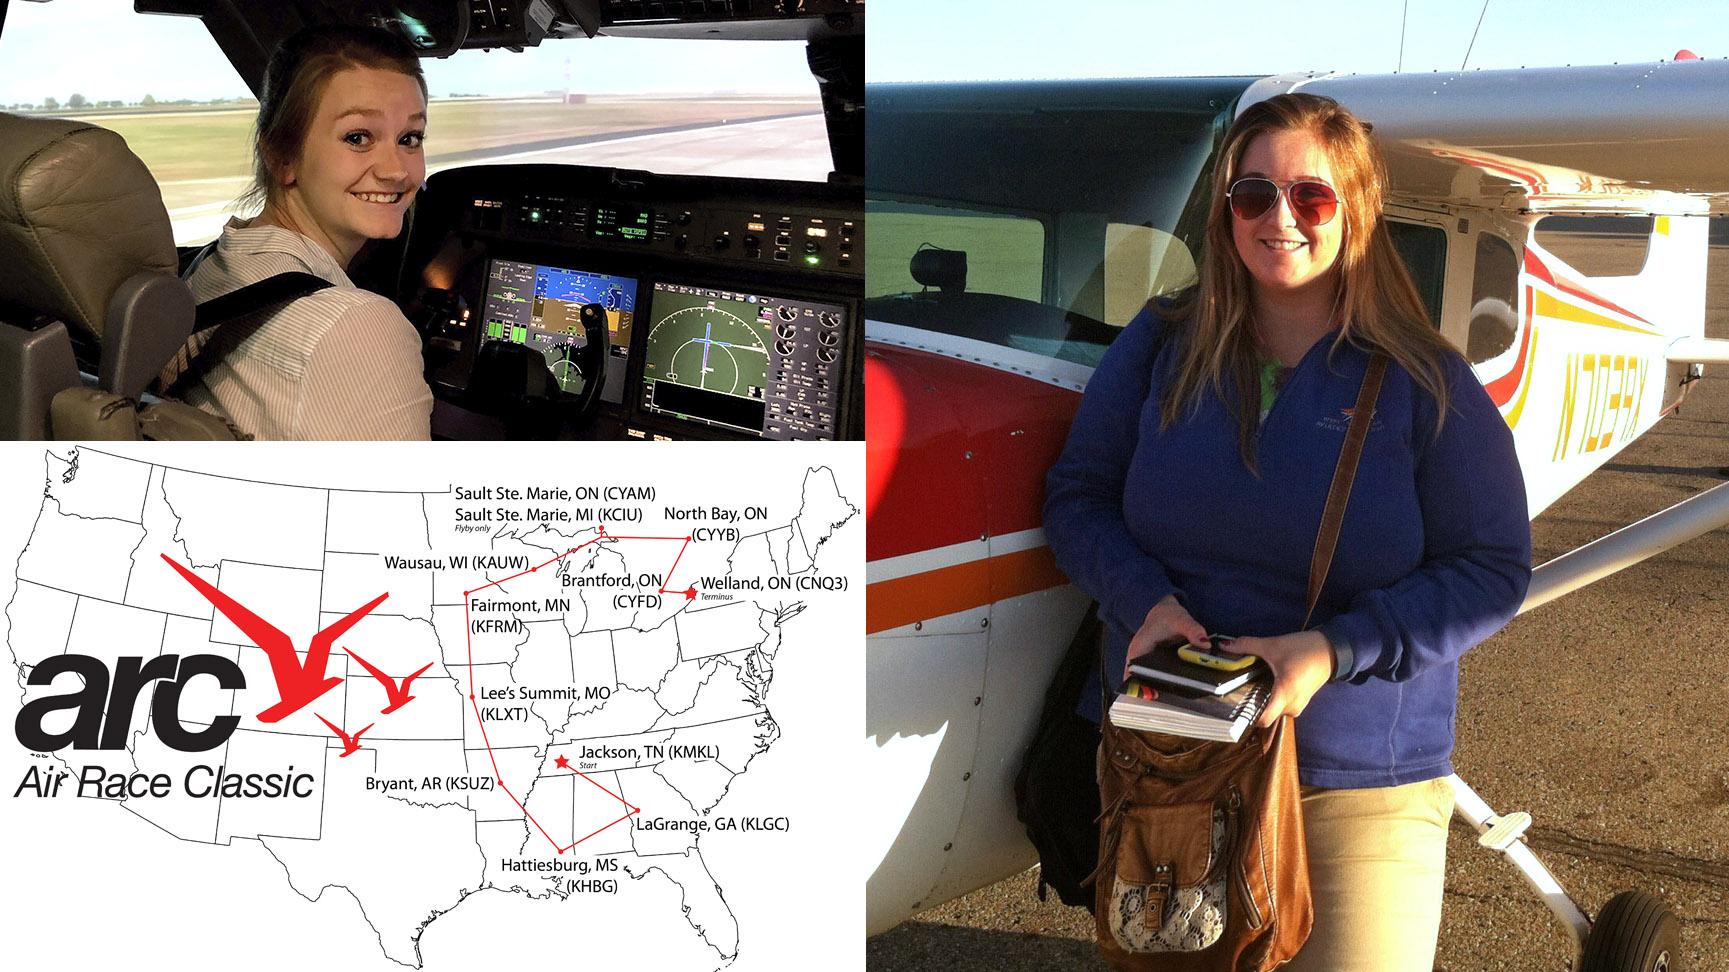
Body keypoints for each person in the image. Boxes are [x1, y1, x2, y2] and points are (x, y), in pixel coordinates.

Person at [1043, 92, 1532, 971]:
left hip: (1351, 778)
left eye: (1310, 197)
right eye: (1251, 195)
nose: (1278, 219)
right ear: (1224, 211)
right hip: (1171, 757)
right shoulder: (1160, 343)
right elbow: (1078, 496)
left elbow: (1492, 566)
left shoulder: (1428, 382)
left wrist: (1333, 649)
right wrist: (1140, 599)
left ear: (1356, 210)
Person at [172, 23, 433, 439]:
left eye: (410, 138)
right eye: (358, 137)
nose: (397, 171)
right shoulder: (362, 328)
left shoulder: (212, 263)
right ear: (281, 156)